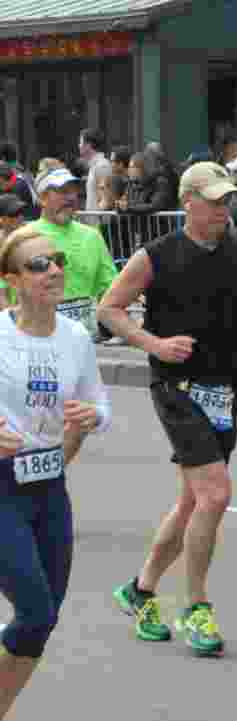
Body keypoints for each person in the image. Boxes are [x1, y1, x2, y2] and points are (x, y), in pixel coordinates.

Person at [98, 162, 237, 658]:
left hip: (223, 384)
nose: (225, 209)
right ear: (189, 202)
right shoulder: (157, 255)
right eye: (216, 201)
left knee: (192, 502)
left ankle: (139, 590)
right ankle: (196, 605)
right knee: (217, 495)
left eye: (228, 201)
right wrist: (153, 343)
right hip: (175, 385)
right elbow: (109, 308)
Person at [0, 224, 110, 718]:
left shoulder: (76, 337)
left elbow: (96, 402)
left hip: (49, 489)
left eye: (58, 261)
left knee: (42, 622)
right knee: (36, 610)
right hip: (1, 488)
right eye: (39, 264)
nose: (54, 271)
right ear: (11, 281)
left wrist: (93, 417)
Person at [28, 170, 118, 339]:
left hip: (83, 341)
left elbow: (110, 288)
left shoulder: (92, 236)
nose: (70, 198)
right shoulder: (25, 237)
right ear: (42, 199)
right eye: (62, 192)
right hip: (37, 341)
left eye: (73, 192)